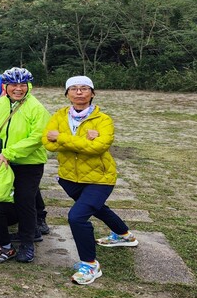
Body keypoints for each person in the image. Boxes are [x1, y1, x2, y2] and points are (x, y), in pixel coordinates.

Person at [44, 76, 139, 285]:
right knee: (98, 208)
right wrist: (84, 141)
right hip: (69, 178)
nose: (79, 92)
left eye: (84, 89)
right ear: (67, 94)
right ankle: (124, 235)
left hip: (100, 178)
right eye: (74, 89)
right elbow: (47, 144)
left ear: (92, 93)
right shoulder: (59, 116)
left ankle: (90, 265)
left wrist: (61, 138)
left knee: (77, 217)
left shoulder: (103, 119)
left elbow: (98, 147)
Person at [0, 67, 50, 263]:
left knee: (25, 200)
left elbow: (37, 137)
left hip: (28, 163)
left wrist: (9, 153)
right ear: (5, 86)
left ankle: (27, 242)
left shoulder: (36, 107)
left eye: (22, 85)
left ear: (28, 86)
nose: (18, 89)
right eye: (13, 85)